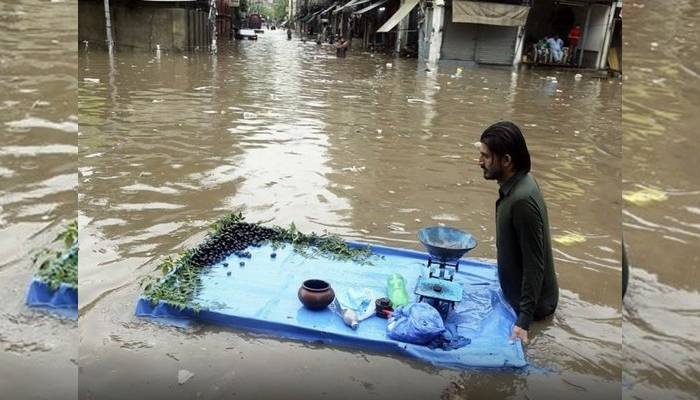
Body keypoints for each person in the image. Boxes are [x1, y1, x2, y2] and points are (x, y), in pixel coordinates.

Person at [477, 121, 559, 345]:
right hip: (519, 297)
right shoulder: (520, 185)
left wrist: (523, 322)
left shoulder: (522, 200)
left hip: (533, 309)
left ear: (506, 160)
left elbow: (535, 264)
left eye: (485, 156)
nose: (479, 162)